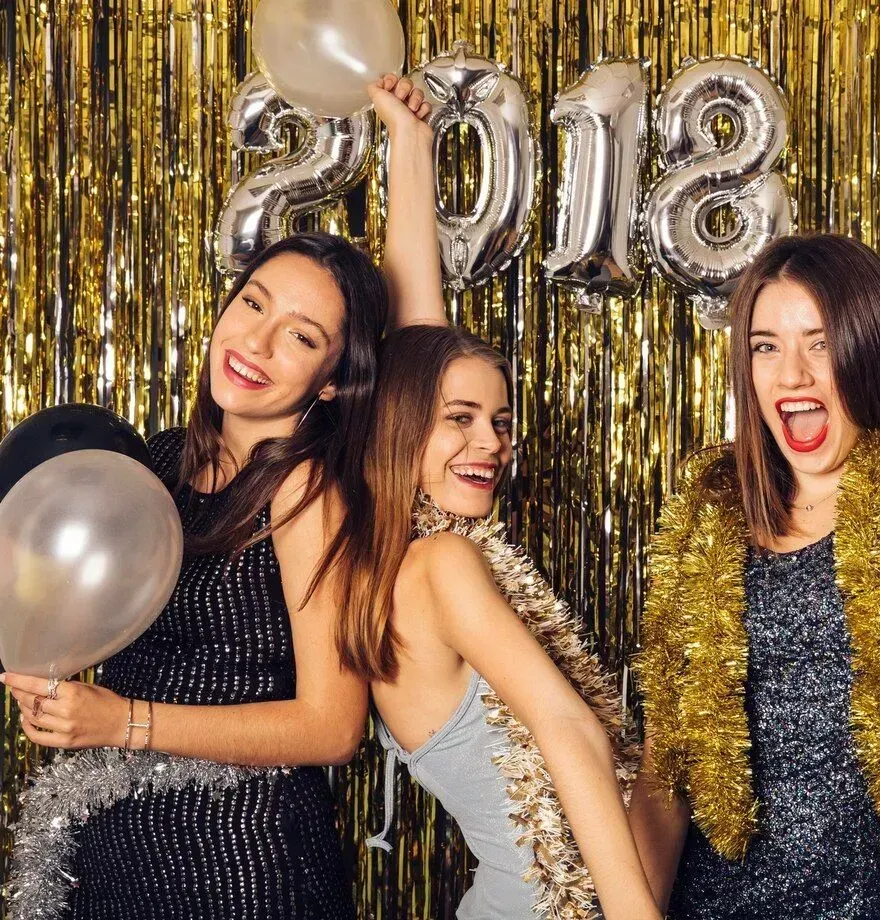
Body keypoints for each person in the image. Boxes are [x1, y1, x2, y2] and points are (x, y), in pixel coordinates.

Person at [0, 77, 435, 920]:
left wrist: (410, 149)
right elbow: (80, 665)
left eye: (302, 337)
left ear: (329, 385)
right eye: (253, 305)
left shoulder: (307, 490)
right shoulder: (150, 461)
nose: (257, 341)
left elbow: (331, 726)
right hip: (115, 853)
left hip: (242, 866)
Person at [626, 1, 880, 917]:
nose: (793, 372)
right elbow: (664, 778)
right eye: (767, 346)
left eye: (818, 341)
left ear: (864, 349)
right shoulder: (708, 523)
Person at [336, 80, 661, 920]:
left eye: (502, 423)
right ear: (402, 430)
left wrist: (410, 145)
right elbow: (567, 730)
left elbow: (417, 344)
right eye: (462, 422)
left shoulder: (404, 556)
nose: (492, 443)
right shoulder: (438, 563)